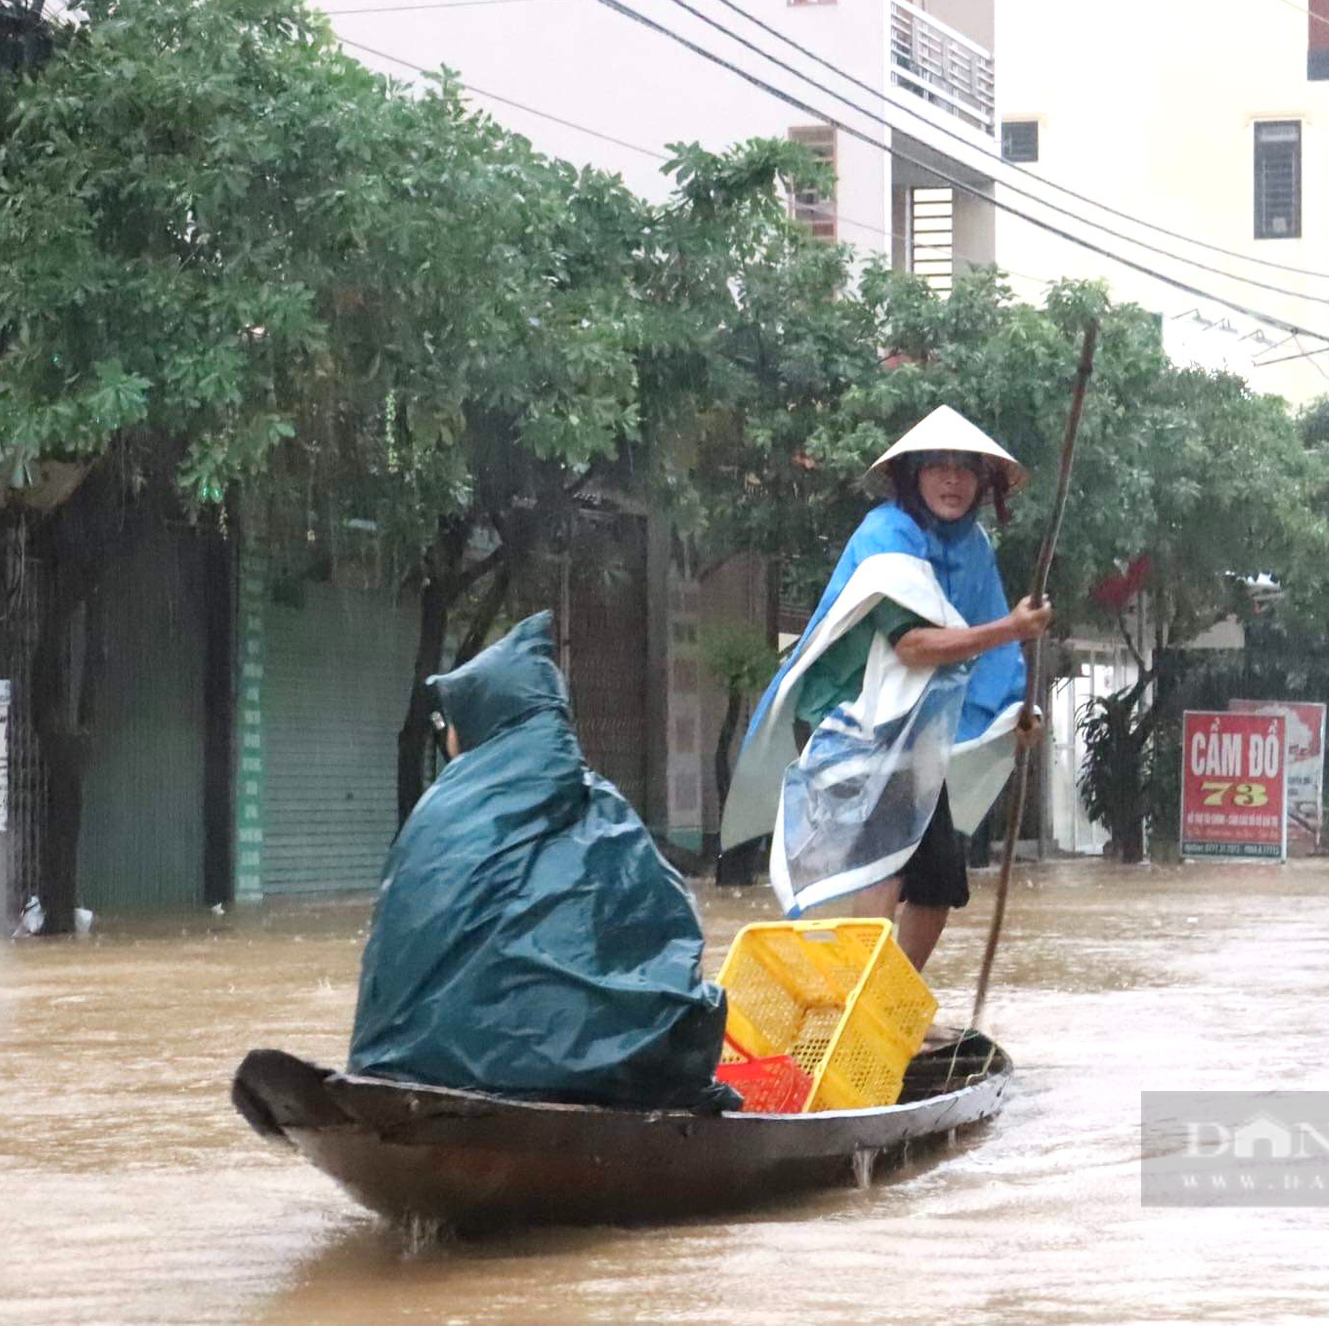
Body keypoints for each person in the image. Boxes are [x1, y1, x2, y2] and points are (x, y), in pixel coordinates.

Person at [349, 611, 740, 1111]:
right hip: (573, 1083)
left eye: (448, 722)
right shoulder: (603, 814)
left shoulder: (432, 815)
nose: (446, 736)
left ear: (484, 719)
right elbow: (666, 935)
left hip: (400, 1067)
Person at [720, 406, 1051, 970]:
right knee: (880, 865)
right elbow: (914, 646)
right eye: (937, 467)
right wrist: (1013, 629)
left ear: (983, 482)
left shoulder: (973, 550)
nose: (952, 480)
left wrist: (1018, 713)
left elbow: (991, 654)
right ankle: (859, 997)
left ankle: (888, 999)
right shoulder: (886, 535)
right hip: (859, 727)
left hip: (916, 738)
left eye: (965, 469)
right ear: (913, 477)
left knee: (938, 882)